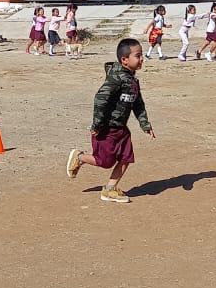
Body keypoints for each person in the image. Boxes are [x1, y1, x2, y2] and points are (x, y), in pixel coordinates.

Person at [65, 38, 156, 204]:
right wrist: (97, 124)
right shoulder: (116, 79)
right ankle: (80, 157)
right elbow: (100, 99)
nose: (142, 59)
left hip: (121, 129)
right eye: (138, 55)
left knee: (126, 158)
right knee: (104, 162)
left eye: (142, 55)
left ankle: (109, 189)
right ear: (124, 60)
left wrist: (145, 124)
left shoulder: (132, 80)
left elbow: (138, 103)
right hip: (106, 129)